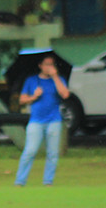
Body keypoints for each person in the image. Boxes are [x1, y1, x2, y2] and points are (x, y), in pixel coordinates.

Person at [15, 55, 70, 186]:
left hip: (54, 120)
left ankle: (48, 181)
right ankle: (20, 180)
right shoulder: (31, 80)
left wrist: (55, 77)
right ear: (41, 66)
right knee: (30, 151)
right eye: (47, 64)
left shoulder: (59, 79)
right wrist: (34, 96)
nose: (50, 67)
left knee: (53, 153)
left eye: (52, 64)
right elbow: (22, 100)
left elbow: (65, 94)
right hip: (36, 120)